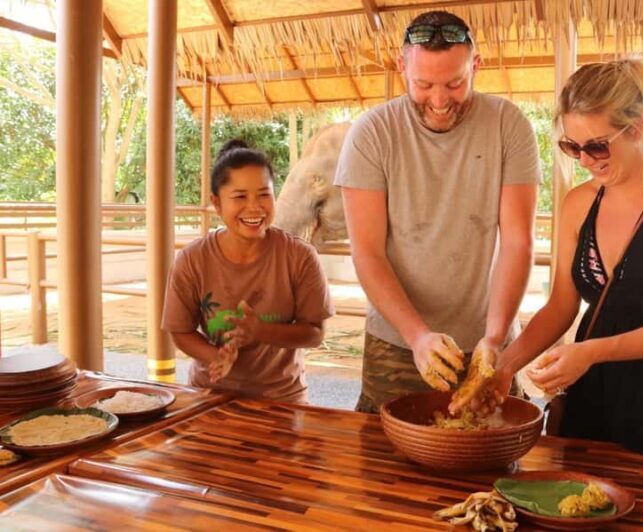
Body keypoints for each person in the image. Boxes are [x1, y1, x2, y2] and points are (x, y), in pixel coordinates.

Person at [462, 58, 643, 458]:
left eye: (597, 145)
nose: (584, 160)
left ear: (636, 128)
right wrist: (504, 367)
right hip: (594, 383)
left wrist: (592, 351)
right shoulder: (578, 202)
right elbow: (562, 305)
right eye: (571, 147)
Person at [334, 11, 541, 413]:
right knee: (382, 460)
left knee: (492, 453)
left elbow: (518, 241)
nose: (440, 100)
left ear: (476, 66)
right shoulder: (372, 133)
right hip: (396, 340)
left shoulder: (509, 125)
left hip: (487, 339)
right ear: (402, 67)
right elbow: (367, 252)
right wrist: (417, 337)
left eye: (455, 83)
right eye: (423, 84)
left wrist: (495, 338)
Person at [162, 140, 334, 402]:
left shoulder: (300, 256)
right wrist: (216, 356)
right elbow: (180, 331)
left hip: (282, 398)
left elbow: (315, 333)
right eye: (240, 196)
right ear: (217, 204)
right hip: (210, 394)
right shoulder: (192, 259)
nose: (254, 207)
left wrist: (260, 330)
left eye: (264, 194)